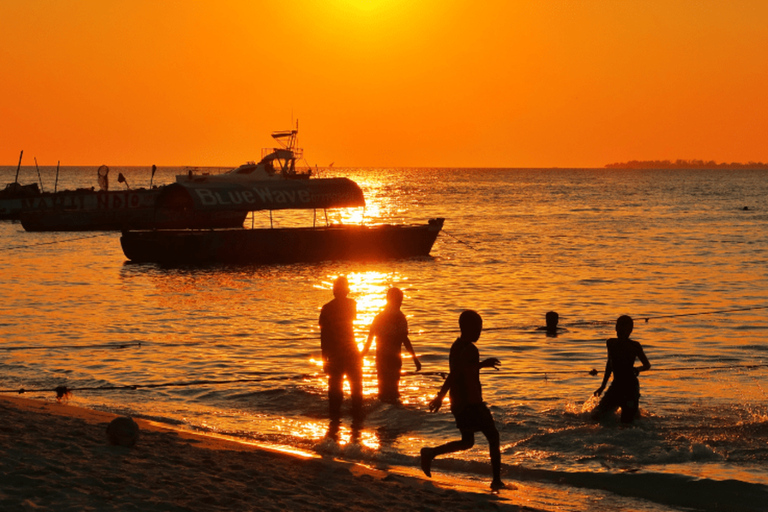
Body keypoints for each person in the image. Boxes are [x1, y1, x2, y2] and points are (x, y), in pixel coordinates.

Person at [420, 310, 505, 491]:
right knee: (493, 436)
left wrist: (483, 364)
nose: (479, 332)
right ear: (466, 328)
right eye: (477, 328)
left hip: (459, 402)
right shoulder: (471, 349)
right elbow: (455, 374)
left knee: (468, 441)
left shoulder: (457, 346)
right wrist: (439, 397)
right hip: (471, 403)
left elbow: (463, 369)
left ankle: (430, 453)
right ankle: (496, 481)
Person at [361, 287, 421, 403]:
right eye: (399, 300)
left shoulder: (378, 317)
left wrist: (361, 355)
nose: (400, 303)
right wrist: (415, 359)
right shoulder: (400, 317)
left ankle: (382, 410)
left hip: (381, 358)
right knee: (393, 391)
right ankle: (392, 412)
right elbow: (405, 340)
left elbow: (369, 339)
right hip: (393, 359)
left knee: (382, 390)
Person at [592, 315, 651, 423]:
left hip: (631, 386)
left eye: (624, 328)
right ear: (615, 328)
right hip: (616, 385)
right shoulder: (611, 343)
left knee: (627, 422)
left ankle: (634, 412)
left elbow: (647, 365)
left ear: (630, 330)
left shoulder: (635, 346)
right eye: (619, 327)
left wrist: (638, 369)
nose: (620, 330)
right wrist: (602, 386)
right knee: (596, 416)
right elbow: (609, 364)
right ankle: (634, 412)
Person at [319, 276, 363, 421]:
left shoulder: (326, 308)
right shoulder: (351, 304)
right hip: (350, 352)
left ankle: (335, 421)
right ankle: (356, 421)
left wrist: (324, 358)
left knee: (335, 391)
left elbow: (324, 337)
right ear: (346, 290)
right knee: (356, 390)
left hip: (336, 353)